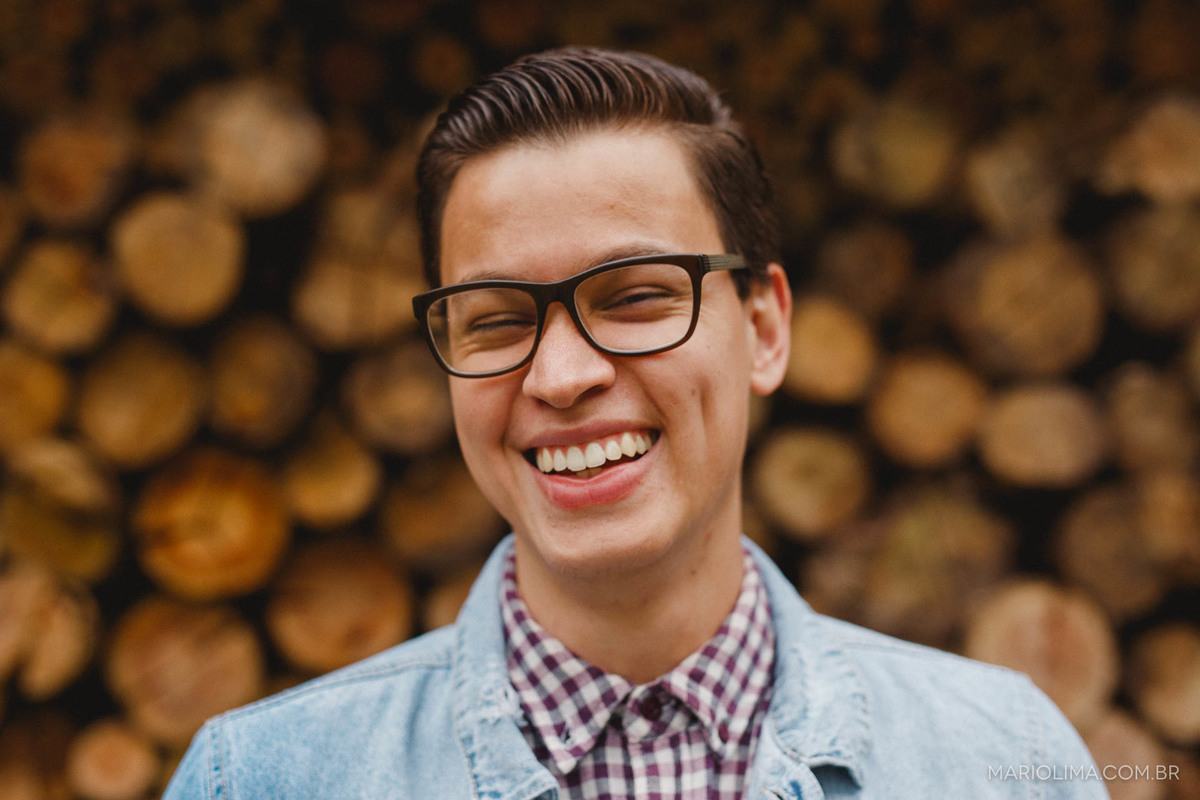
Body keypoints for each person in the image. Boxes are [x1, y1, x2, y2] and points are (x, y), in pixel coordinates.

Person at [164, 47, 1108, 799]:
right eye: (497, 317)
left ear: (767, 330)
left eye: (637, 298)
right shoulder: (257, 782)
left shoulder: (1005, 762)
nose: (563, 375)